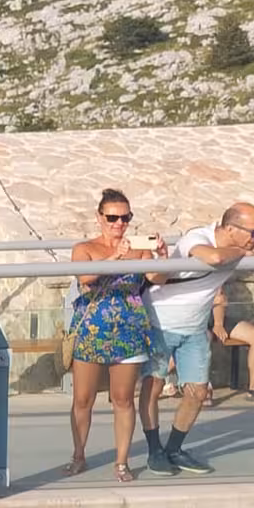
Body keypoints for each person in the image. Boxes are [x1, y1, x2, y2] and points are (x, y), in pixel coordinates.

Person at [139, 202, 254, 477]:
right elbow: (212, 258)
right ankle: (155, 450)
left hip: (195, 328)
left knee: (198, 392)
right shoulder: (197, 236)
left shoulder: (245, 241)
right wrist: (242, 251)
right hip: (159, 324)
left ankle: (174, 448)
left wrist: (247, 247)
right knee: (153, 388)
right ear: (229, 228)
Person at [66, 189, 165, 482]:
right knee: (82, 399)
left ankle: (121, 462)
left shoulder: (139, 249)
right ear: (100, 218)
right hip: (92, 330)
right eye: (112, 217)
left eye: (125, 217)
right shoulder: (84, 248)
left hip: (129, 330)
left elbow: (157, 279)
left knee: (123, 399)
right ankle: (78, 455)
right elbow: (85, 277)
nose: (119, 223)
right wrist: (114, 255)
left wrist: (162, 257)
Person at [212, 286, 254, 402]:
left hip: (215, 316)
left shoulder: (215, 272)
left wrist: (218, 323)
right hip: (189, 320)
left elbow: (219, 297)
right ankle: (196, 388)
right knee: (199, 339)